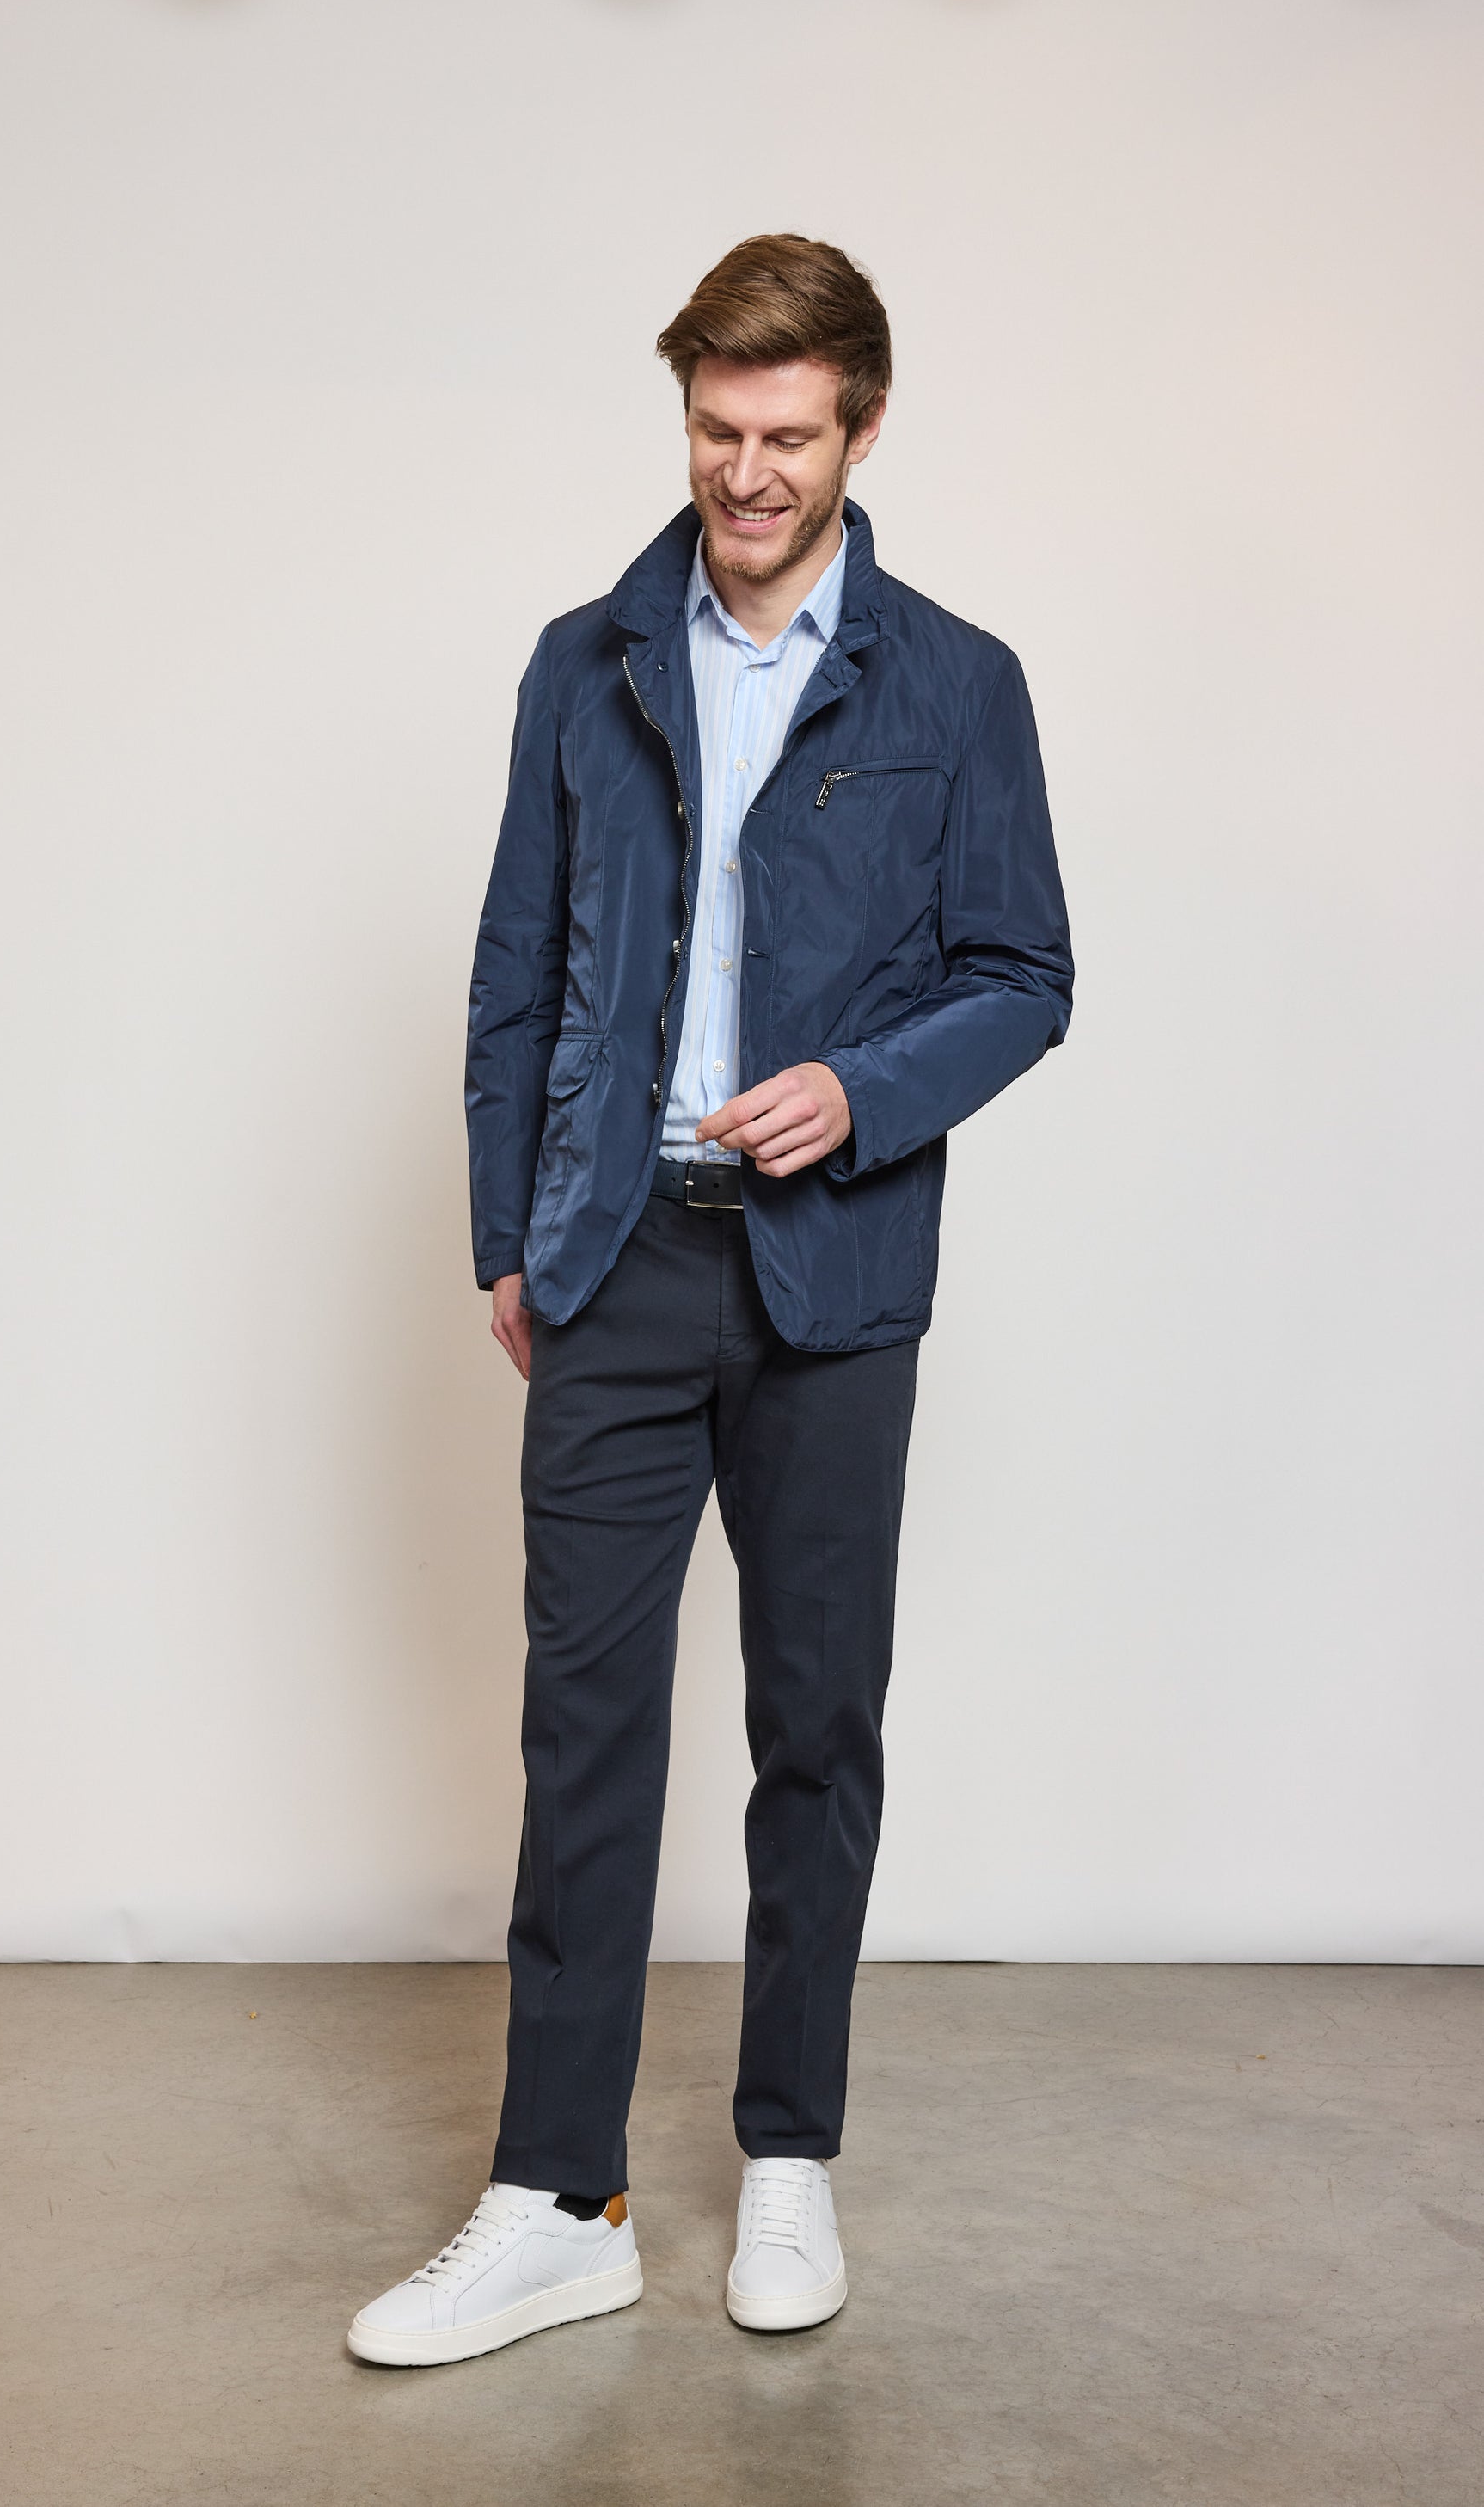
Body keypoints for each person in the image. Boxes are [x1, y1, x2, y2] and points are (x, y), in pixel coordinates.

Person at [347, 234, 1073, 2369]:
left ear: (863, 428)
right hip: (616, 1259)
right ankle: (554, 2196)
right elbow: (513, 968)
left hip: (833, 1274)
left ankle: (786, 2155)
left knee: (812, 1724)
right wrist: (508, 1231)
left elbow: (1023, 974)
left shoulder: (958, 684)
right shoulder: (582, 662)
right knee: (582, 1724)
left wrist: (860, 1090)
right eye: (712, 429)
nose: (746, 474)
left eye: (786, 436)